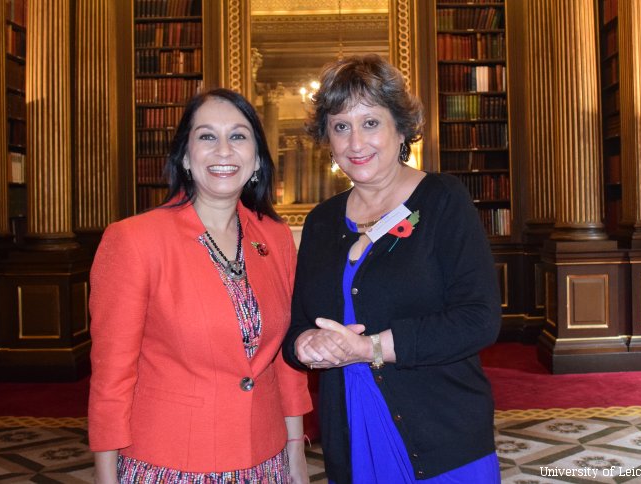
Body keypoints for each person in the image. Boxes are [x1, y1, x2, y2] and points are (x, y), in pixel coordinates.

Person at [282, 54, 502, 483]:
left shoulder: (442, 201)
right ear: (327, 137)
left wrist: (372, 349)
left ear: (400, 128)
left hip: (443, 431)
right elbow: (298, 326)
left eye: (370, 123)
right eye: (341, 126)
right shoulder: (322, 222)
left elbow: (479, 320)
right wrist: (306, 343)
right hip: (350, 431)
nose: (355, 142)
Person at [88, 88, 312, 483]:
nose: (223, 150)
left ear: (257, 159)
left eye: (238, 136)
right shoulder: (134, 240)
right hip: (170, 464)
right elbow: (112, 377)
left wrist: (295, 452)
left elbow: (284, 362)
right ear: (186, 157)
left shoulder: (275, 238)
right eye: (207, 136)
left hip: (265, 456)